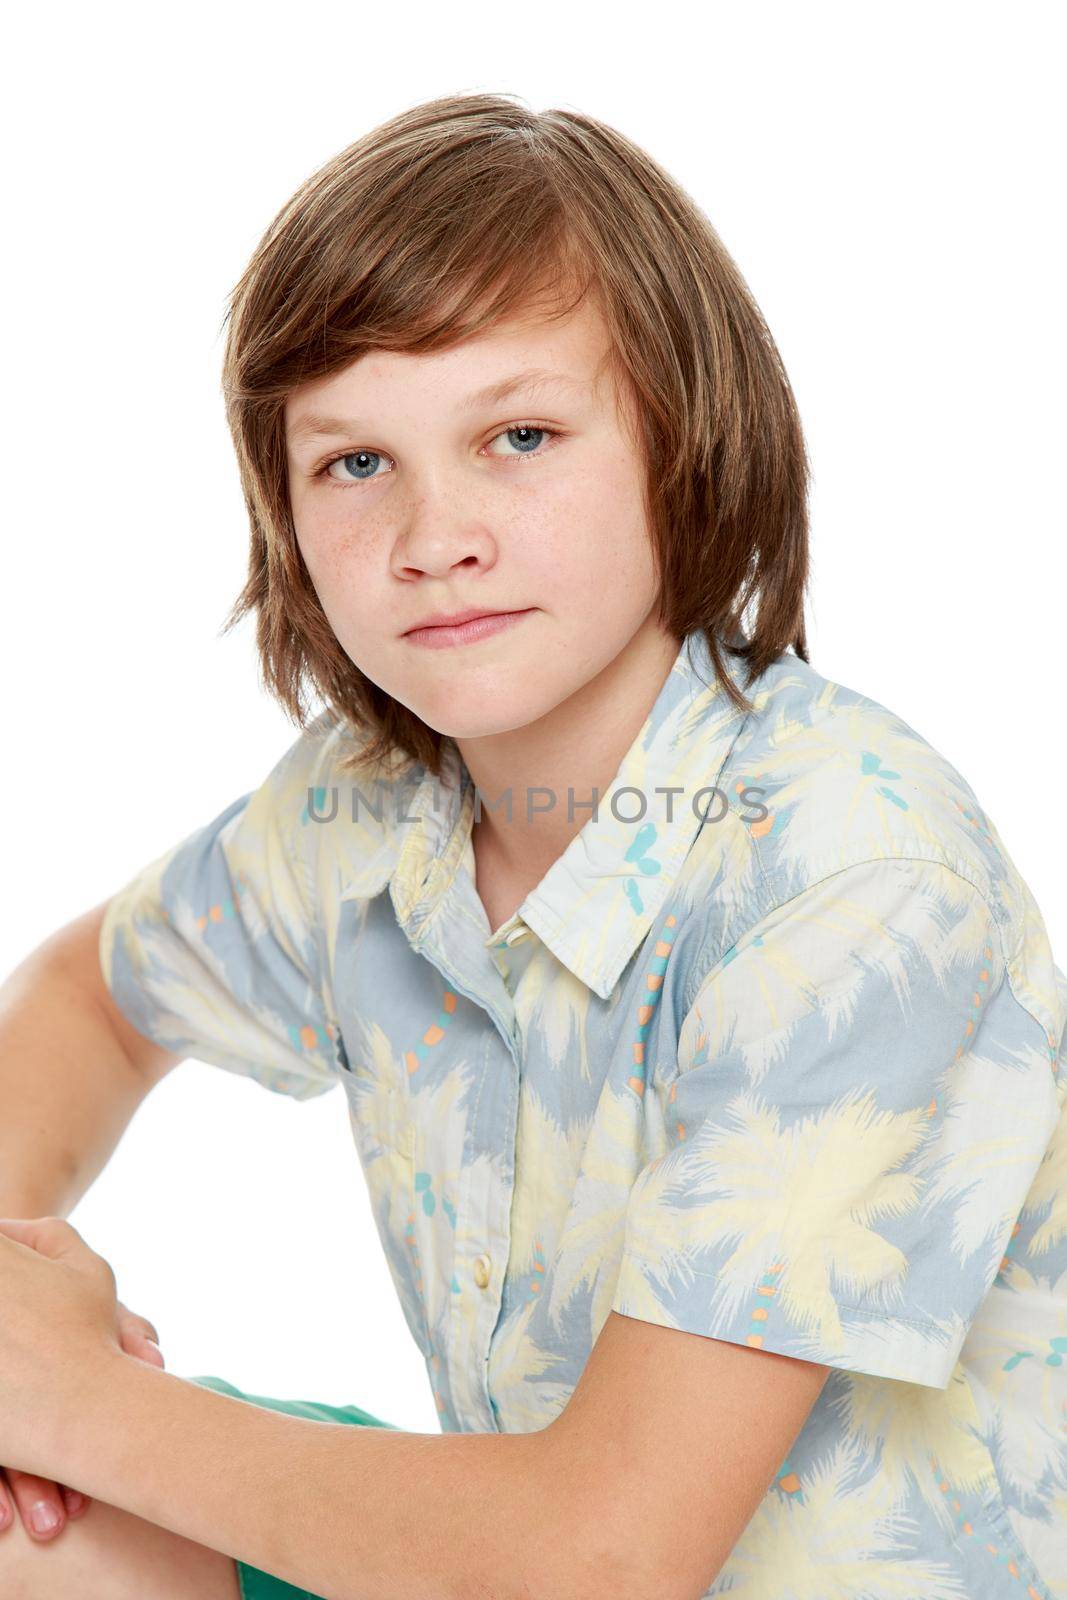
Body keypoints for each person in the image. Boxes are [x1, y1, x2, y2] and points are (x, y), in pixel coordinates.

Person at [0, 89, 1063, 1600]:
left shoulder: (861, 879)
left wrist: (72, 1401)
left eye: (519, 435)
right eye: (354, 464)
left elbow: (605, 1555)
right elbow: (93, 998)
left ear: (683, 439)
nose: (436, 534)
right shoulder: (362, 802)